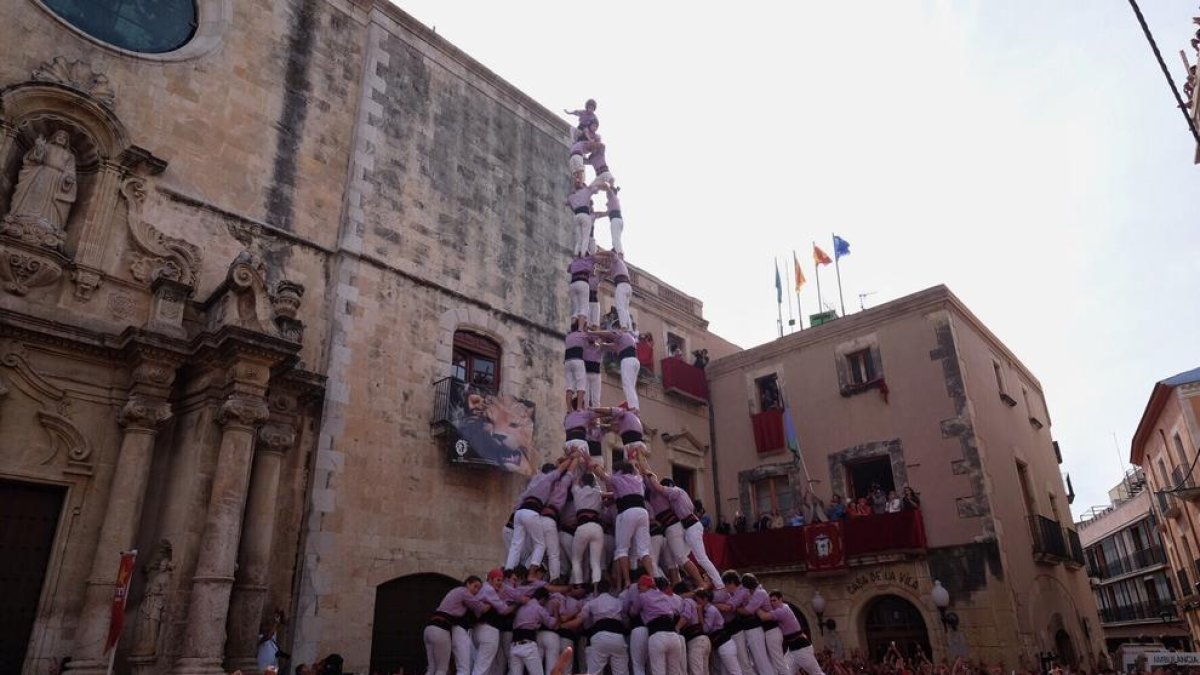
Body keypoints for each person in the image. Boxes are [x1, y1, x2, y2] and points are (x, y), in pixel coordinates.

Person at [424, 576, 486, 675]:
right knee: (441, 669)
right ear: (468, 584)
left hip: (429, 628)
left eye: (479, 588)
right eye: (475, 586)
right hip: (441, 628)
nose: (476, 590)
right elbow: (480, 608)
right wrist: (491, 601)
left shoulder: (455, 591)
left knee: (432, 668)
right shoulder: (464, 592)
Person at [758, 591, 825, 675]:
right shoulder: (784, 607)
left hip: (802, 649)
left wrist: (755, 605)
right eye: (770, 601)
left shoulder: (782, 611)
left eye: (774, 600)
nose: (772, 603)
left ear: (780, 599)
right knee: (784, 672)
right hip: (792, 650)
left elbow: (764, 617)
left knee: (817, 673)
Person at [510, 587, 556, 675]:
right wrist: (556, 611)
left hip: (514, 645)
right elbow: (551, 624)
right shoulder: (538, 608)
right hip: (528, 645)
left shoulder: (521, 607)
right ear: (543, 599)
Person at [565, 181, 604, 257]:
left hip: (576, 216)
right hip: (585, 215)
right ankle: (583, 254)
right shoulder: (586, 190)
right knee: (586, 237)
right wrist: (589, 187)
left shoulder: (571, 196)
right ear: (582, 186)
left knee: (579, 238)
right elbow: (596, 190)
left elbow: (566, 203)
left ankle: (576, 253)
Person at [594, 185, 624, 256]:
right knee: (616, 239)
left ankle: (620, 254)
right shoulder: (613, 203)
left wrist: (596, 186)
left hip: (615, 220)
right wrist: (595, 215)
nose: (607, 194)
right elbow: (605, 213)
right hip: (619, 220)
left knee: (615, 239)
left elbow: (608, 188)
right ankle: (616, 251)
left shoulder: (612, 197)